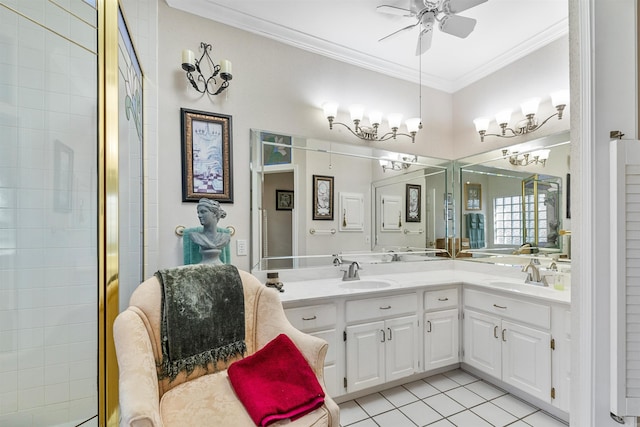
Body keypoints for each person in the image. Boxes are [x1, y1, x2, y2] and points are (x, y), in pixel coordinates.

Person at [190, 198, 230, 264]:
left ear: (214, 213)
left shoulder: (225, 237)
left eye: (203, 212)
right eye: (198, 212)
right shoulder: (195, 236)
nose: (199, 216)